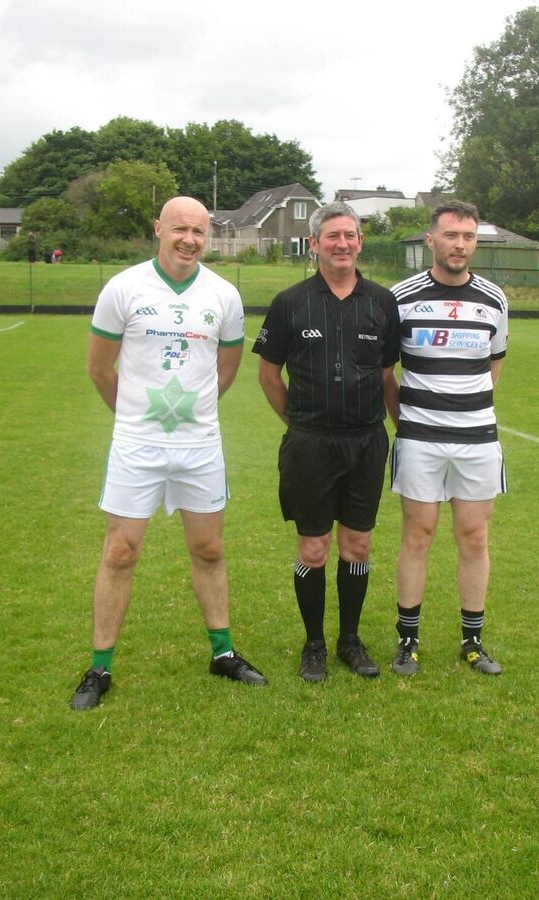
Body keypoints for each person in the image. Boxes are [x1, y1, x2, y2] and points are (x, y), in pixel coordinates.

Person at [70, 195, 265, 710]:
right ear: (158, 228)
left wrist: (189, 415)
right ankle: (99, 667)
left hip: (200, 447)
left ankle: (223, 653)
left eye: (199, 232)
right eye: (180, 229)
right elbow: (99, 368)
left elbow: (225, 373)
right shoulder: (124, 288)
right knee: (120, 552)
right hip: (137, 446)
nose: (189, 240)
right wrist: (136, 418)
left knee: (210, 550)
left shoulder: (224, 296)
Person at [253, 202, 401, 682]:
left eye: (350, 235)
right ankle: (313, 644)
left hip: (365, 442)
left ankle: (349, 641)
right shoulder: (290, 302)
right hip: (310, 445)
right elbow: (268, 374)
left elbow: (387, 374)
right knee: (313, 549)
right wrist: (299, 422)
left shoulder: (382, 302)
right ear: (314, 243)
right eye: (332, 236)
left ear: (360, 242)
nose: (342, 244)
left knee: (357, 545)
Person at [387, 200, 509, 676]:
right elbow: (385, 374)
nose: (460, 245)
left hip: (477, 439)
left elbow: (494, 364)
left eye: (468, 237)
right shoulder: (401, 297)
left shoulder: (494, 299)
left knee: (474, 537)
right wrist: (408, 422)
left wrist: (468, 411)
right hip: (420, 438)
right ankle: (408, 641)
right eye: (451, 236)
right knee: (418, 534)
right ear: (430, 240)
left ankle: (473, 642)